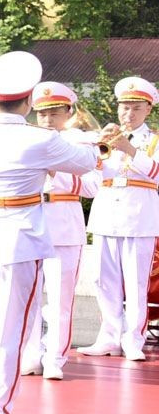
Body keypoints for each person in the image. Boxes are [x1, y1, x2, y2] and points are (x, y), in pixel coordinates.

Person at [0, 52, 97, 414]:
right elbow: (86, 162)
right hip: (17, 235)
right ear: (29, 100)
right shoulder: (40, 139)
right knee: (13, 326)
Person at [79, 77, 159, 362]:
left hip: (140, 218)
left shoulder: (154, 141)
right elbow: (92, 175)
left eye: (136, 108)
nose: (128, 114)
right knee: (104, 279)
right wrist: (97, 149)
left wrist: (129, 149)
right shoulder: (105, 138)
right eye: (124, 107)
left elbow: (156, 173)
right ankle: (109, 336)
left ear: (148, 109)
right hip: (106, 215)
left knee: (136, 283)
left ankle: (134, 339)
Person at [23, 83, 92, 381]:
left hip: (64, 223)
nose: (48, 119)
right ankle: (30, 353)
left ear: (68, 112)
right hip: (32, 223)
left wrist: (57, 175)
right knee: (29, 295)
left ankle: (55, 356)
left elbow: (92, 186)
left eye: (54, 112)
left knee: (61, 298)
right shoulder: (28, 139)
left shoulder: (80, 141)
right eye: (42, 113)